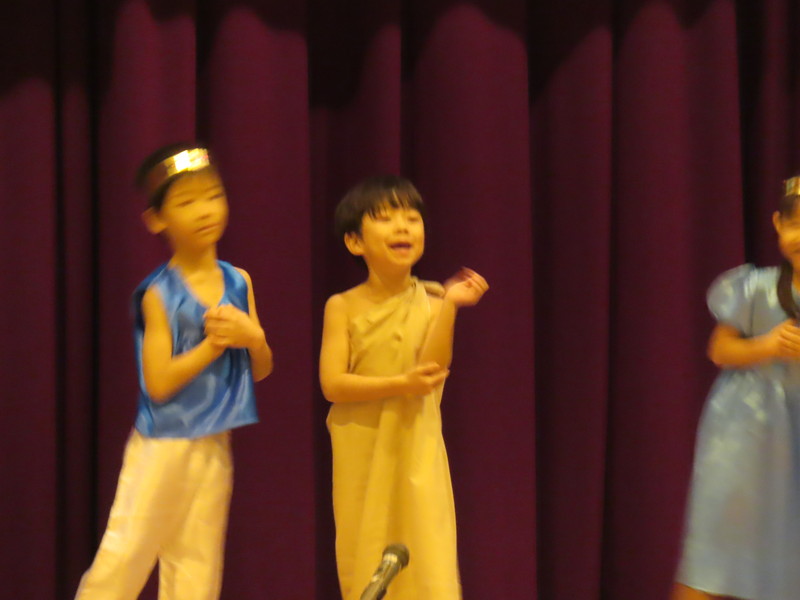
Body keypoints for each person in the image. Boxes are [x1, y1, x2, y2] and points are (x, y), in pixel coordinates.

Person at [75, 144, 273, 600]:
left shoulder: (238, 280)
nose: (205, 210)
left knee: (197, 564)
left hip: (214, 442)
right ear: (156, 220)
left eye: (213, 196)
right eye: (186, 202)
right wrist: (213, 346)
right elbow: (159, 383)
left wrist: (253, 338)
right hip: (163, 445)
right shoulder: (159, 294)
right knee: (126, 553)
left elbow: (260, 369)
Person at [319, 175, 489, 600]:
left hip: (417, 444)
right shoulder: (342, 306)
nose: (403, 227)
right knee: (365, 547)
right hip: (361, 447)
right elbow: (333, 384)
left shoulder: (434, 300)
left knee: (426, 551)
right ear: (355, 242)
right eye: (385, 218)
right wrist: (400, 384)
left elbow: (432, 370)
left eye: (412, 219)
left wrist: (451, 306)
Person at [672, 176, 800, 600]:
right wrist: (767, 345)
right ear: (778, 224)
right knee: (719, 543)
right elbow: (720, 349)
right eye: (796, 224)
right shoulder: (755, 288)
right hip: (747, 430)